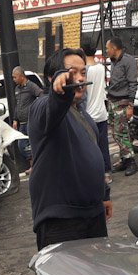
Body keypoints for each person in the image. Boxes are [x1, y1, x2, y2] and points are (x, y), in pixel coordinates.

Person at [27, 48, 112, 250]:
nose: (80, 78)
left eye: (83, 73)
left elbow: (94, 155)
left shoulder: (84, 114)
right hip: (61, 221)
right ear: (51, 78)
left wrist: (104, 195)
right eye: (72, 73)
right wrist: (61, 87)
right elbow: (53, 107)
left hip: (93, 215)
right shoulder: (41, 107)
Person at [105, 37, 138, 176]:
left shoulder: (128, 60)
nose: (106, 51)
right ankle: (124, 159)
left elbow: (132, 83)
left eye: (107, 48)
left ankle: (131, 161)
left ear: (114, 48)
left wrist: (130, 105)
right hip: (112, 100)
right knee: (115, 132)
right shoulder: (113, 61)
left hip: (123, 101)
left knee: (121, 133)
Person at [81, 40, 112, 185]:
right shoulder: (100, 68)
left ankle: (95, 175)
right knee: (103, 145)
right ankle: (107, 173)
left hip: (89, 115)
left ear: (82, 51)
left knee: (91, 148)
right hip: (102, 113)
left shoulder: (84, 71)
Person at [11, 66, 43, 170]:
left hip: (30, 121)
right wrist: (15, 119)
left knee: (31, 143)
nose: (13, 80)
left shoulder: (31, 86)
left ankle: (34, 166)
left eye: (15, 77)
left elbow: (41, 94)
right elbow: (17, 105)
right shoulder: (17, 89)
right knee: (22, 145)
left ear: (21, 76)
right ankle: (33, 165)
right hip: (22, 122)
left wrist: (36, 109)